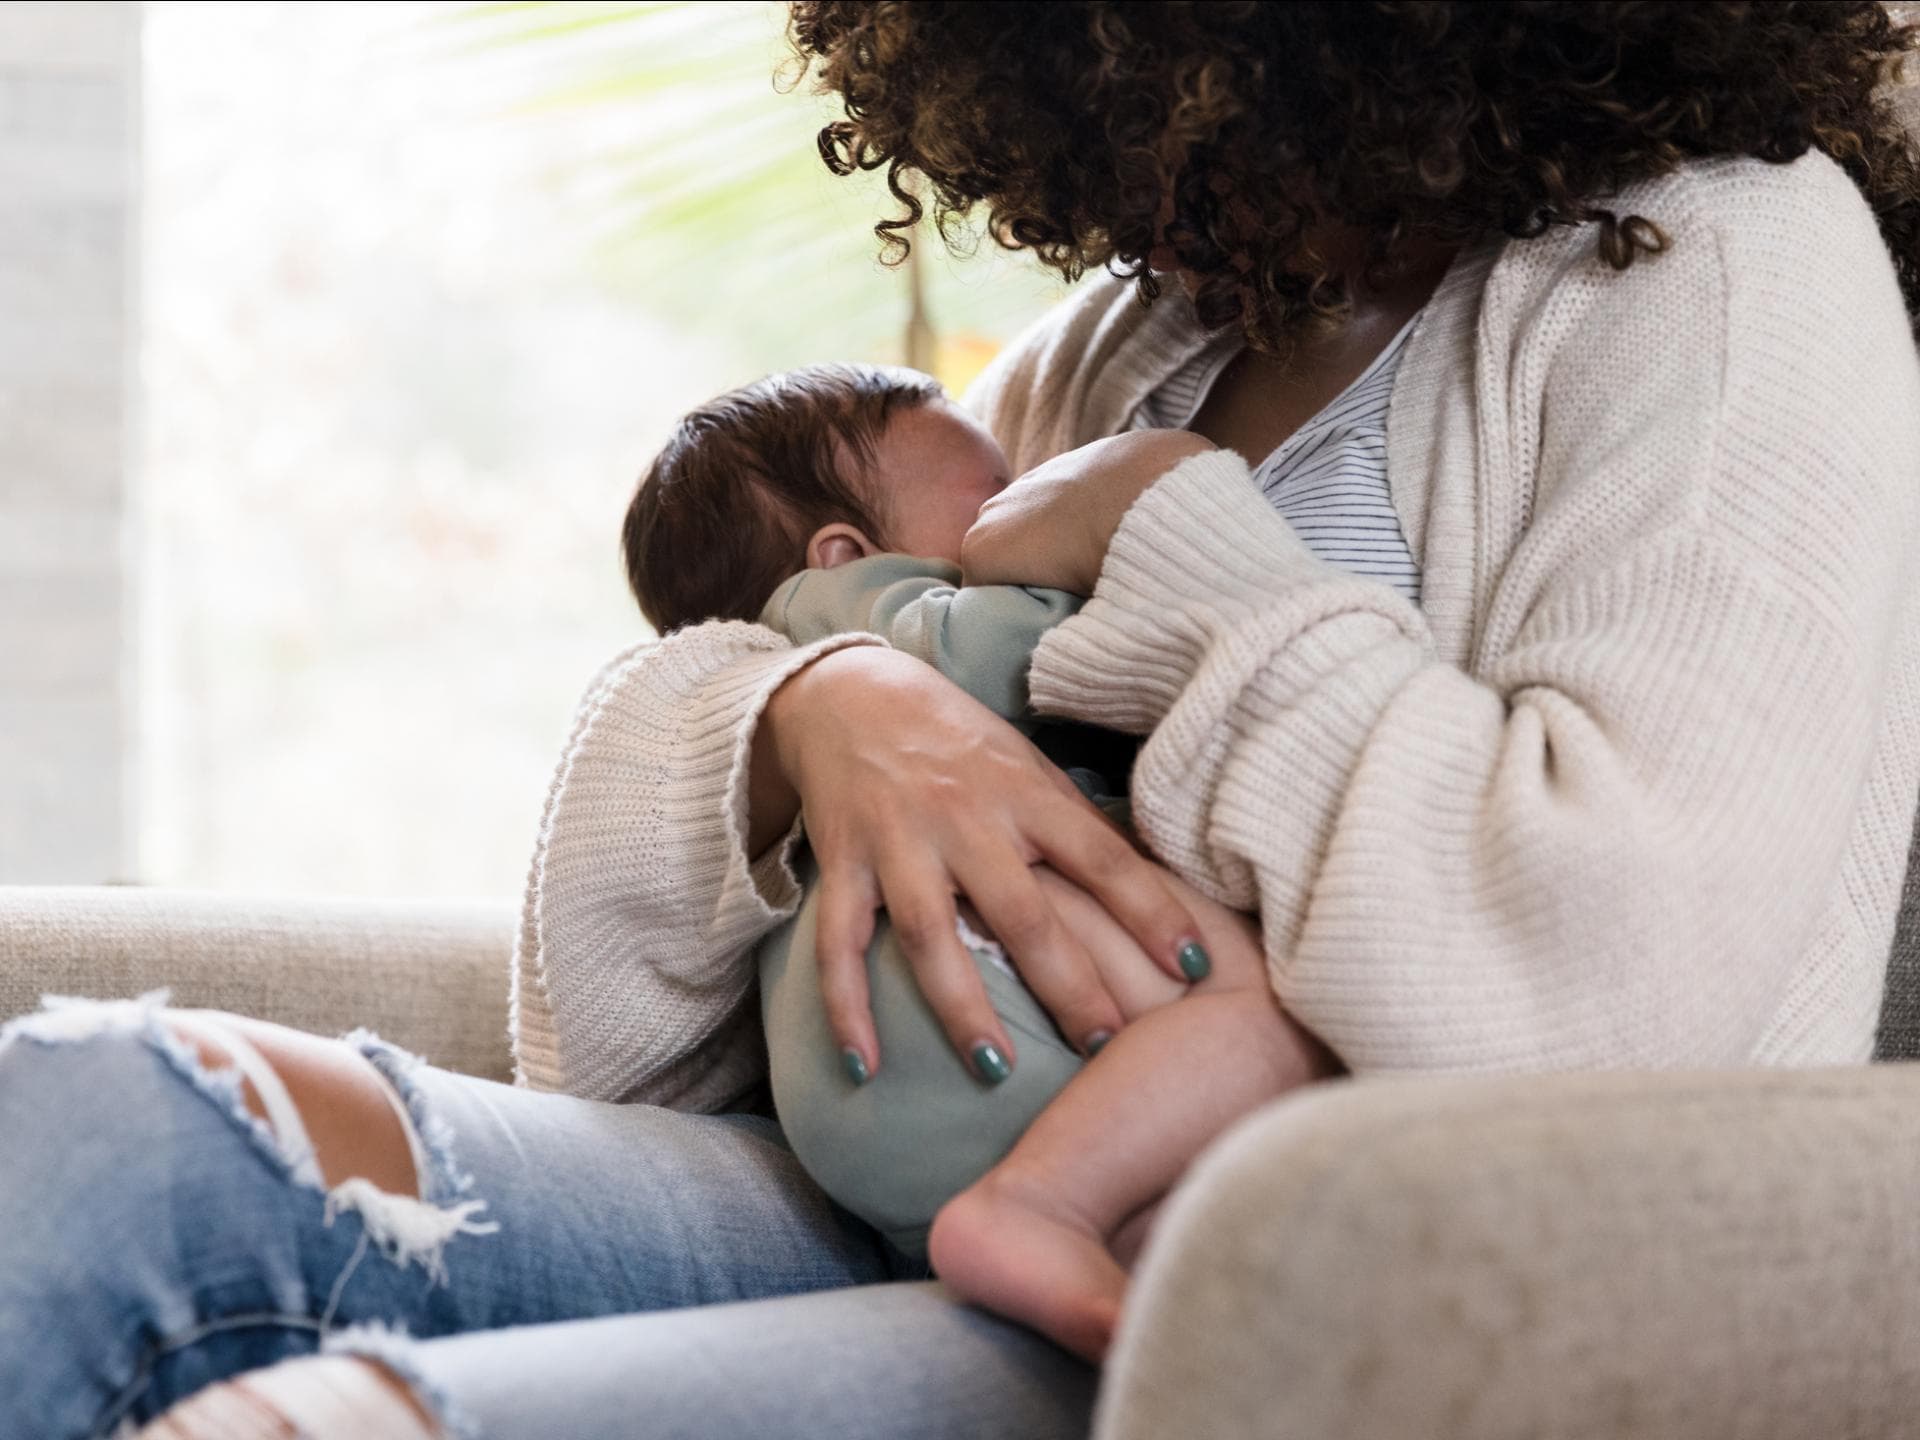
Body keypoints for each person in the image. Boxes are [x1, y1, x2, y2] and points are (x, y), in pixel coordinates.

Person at [4, 5, 1918, 1437]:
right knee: (95, 1128)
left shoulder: (1722, 261)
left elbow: (1613, 999)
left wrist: (1183, 551)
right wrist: (819, 708)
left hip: (1281, 1292)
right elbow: (607, 1026)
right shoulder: (1155, 327)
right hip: (909, 1188)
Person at [619, 360, 1333, 1358]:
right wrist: (1116, 522)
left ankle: (1061, 1242)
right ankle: (1035, 1205)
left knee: (1171, 1273)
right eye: (997, 498)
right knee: (1270, 1013)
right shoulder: (866, 617)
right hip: (959, 1018)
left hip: (864, 1096)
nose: (1023, 507)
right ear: (844, 552)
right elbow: (1026, 647)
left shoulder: (802, 660)